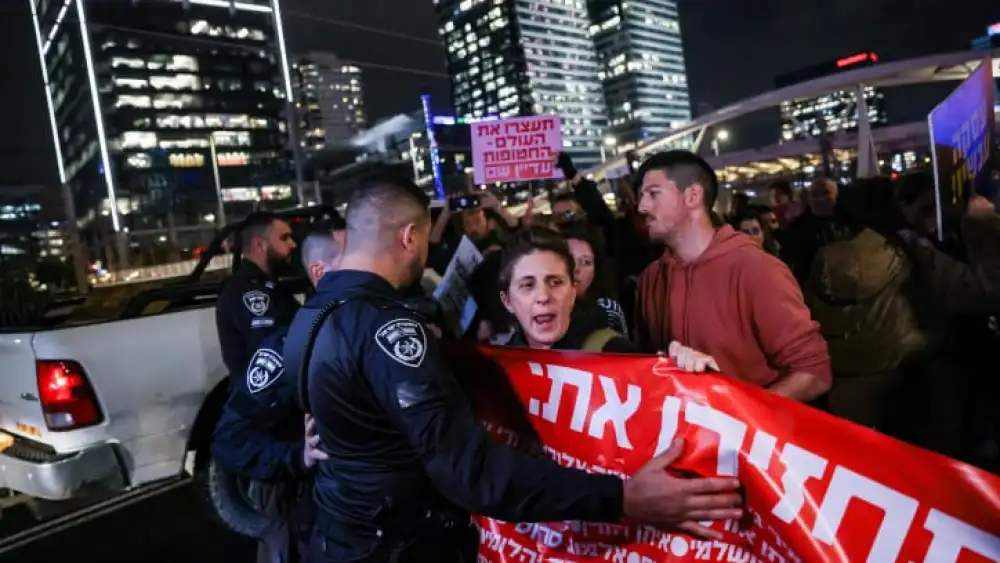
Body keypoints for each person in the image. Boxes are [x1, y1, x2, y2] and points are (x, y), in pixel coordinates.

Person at [288, 177, 743, 563]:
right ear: (409, 237)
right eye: (527, 284)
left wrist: (688, 380)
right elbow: (469, 470)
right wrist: (621, 497)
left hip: (345, 536)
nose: (542, 296)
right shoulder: (391, 330)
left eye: (555, 282)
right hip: (393, 544)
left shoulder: (310, 317)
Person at [633, 151, 831, 402]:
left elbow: (814, 373)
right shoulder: (650, 278)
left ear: (692, 196)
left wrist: (741, 418)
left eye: (653, 193)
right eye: (641, 195)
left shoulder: (757, 270)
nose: (642, 207)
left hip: (752, 438)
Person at [212, 226, 345, 563]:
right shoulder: (287, 344)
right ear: (321, 272)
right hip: (297, 498)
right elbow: (230, 440)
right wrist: (297, 456)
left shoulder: (374, 329)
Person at [216, 212, 301, 378]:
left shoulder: (270, 286)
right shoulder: (250, 291)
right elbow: (272, 351)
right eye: (284, 238)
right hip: (269, 396)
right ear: (260, 244)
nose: (293, 244)